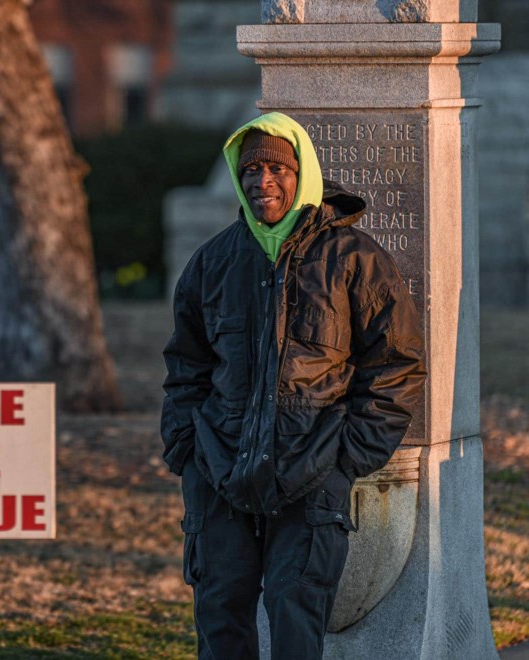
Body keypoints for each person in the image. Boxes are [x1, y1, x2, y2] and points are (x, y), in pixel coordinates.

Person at [160, 112, 426, 659]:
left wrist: (347, 458)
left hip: (312, 471)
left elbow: (397, 364)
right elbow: (185, 366)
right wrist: (186, 448)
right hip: (218, 468)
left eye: (276, 168)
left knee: (295, 617)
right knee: (220, 614)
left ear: (302, 172)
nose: (262, 182)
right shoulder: (213, 261)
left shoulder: (356, 260)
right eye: (250, 169)